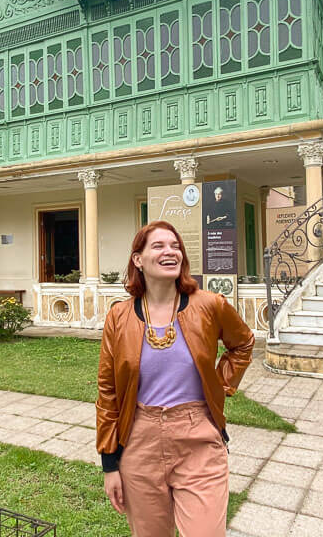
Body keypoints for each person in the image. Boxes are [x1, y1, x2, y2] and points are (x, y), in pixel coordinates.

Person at [96, 220, 254, 537]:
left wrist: (219, 385)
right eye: (158, 246)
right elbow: (108, 391)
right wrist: (110, 465)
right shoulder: (119, 316)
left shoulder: (210, 305)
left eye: (175, 245)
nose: (171, 252)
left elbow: (243, 343)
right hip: (139, 440)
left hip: (198, 436)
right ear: (137, 260)